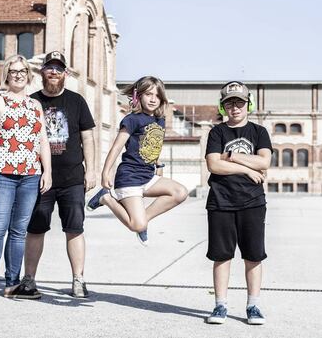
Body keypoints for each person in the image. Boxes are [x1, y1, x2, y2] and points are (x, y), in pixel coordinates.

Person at [0, 55, 52, 303]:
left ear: (28, 74)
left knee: (18, 232)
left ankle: (12, 284)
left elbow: (42, 141)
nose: (18, 74)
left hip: (30, 177)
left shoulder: (35, 106)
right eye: (13, 71)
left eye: (22, 70)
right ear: (7, 74)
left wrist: (47, 171)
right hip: (1, 176)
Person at [17, 51, 96, 299]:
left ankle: (78, 280)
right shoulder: (31, 101)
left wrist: (91, 170)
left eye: (58, 68)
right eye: (49, 67)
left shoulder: (77, 101)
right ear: (41, 72)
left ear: (65, 74)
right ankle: (28, 280)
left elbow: (88, 137)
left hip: (72, 178)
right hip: (39, 179)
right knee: (36, 228)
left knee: (75, 228)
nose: (53, 72)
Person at [87, 76, 188, 246]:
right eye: (148, 94)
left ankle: (143, 219)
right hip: (129, 177)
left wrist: (158, 163)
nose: (153, 99)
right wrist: (105, 173)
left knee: (180, 192)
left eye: (157, 96)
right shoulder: (132, 120)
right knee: (136, 225)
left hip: (148, 176)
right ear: (138, 95)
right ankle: (106, 198)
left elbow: (153, 144)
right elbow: (116, 147)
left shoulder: (159, 120)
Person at [205, 81, 272, 325]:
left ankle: (253, 306)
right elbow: (213, 164)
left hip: (252, 202)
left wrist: (230, 156)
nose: (235, 108)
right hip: (221, 202)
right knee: (221, 256)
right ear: (223, 107)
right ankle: (220, 306)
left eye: (239, 103)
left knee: (253, 255)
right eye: (229, 103)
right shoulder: (217, 132)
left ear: (248, 105)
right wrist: (246, 169)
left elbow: (264, 162)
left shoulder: (259, 132)